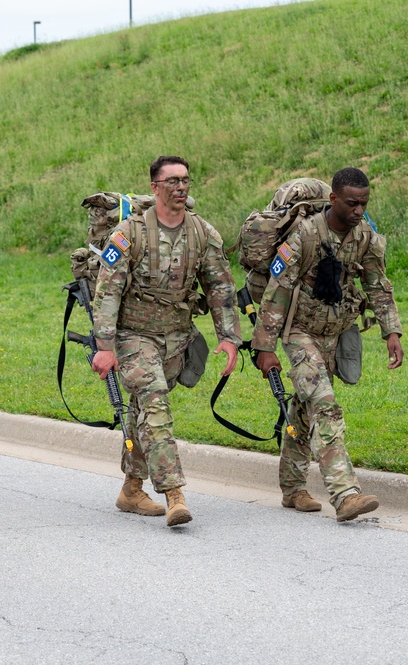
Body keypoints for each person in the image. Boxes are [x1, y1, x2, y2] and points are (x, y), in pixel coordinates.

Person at [90, 156, 241, 527]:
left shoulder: (203, 233)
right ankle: (175, 495)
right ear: (155, 187)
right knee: (155, 405)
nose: (181, 187)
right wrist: (105, 346)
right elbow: (107, 292)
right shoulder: (129, 233)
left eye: (185, 180)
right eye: (172, 181)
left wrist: (229, 337)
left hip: (177, 337)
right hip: (133, 336)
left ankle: (131, 488)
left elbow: (220, 287)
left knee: (144, 412)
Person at [253, 167, 403, 522]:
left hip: (335, 333)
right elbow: (276, 292)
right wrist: (265, 346)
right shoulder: (304, 236)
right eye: (352, 203)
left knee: (306, 409)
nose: (358, 211)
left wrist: (391, 332)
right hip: (298, 331)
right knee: (325, 403)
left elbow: (378, 285)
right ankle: (345, 493)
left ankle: (292, 488)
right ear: (333, 199)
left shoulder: (365, 235)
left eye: (364, 204)